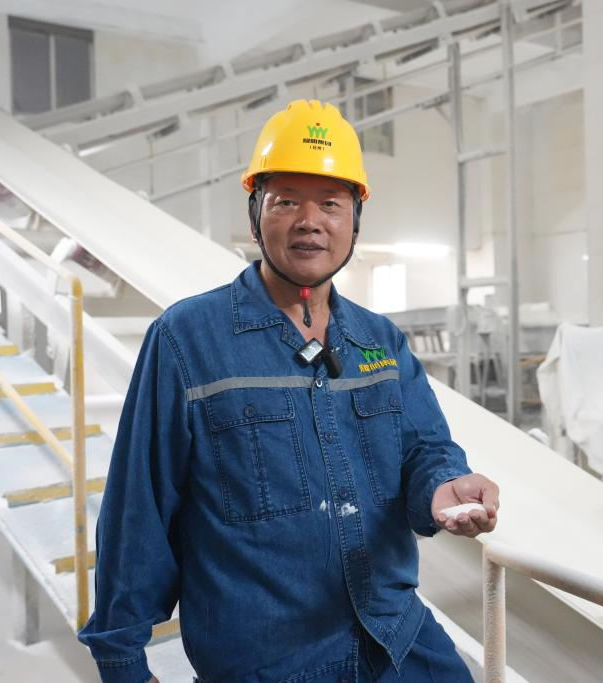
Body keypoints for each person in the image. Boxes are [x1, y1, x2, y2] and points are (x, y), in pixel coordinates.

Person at [78, 100, 501, 683]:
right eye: (286, 201)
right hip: (269, 659)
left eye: (330, 203)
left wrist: (442, 485)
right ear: (256, 214)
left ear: (355, 220)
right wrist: (122, 660)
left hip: (394, 636)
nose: (310, 220)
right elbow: (139, 505)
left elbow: (423, 448)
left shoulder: (380, 341)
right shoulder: (187, 340)